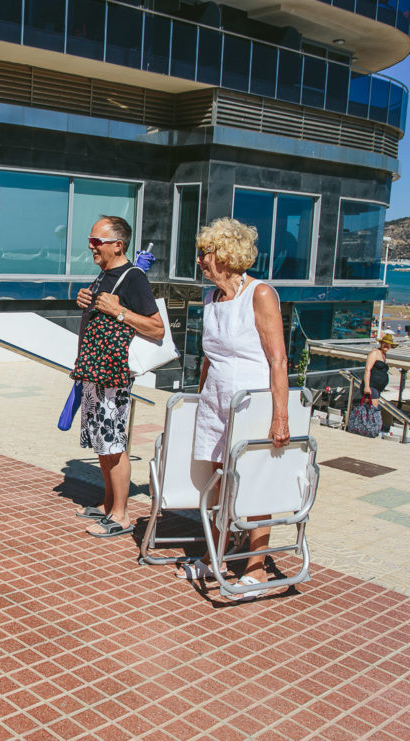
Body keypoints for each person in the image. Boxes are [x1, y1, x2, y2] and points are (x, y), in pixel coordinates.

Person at [175, 217, 289, 600]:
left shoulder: (259, 294)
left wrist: (280, 417)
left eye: (204, 254)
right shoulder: (211, 299)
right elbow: (209, 357)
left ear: (224, 254)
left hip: (250, 403)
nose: (200, 262)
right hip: (217, 403)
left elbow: (278, 360)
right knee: (221, 482)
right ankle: (219, 552)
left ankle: (256, 567)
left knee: (254, 483)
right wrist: (200, 398)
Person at [73, 216, 164, 537]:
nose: (90, 246)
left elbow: (156, 327)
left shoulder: (133, 277)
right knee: (102, 443)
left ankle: (122, 515)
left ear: (118, 245)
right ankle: (109, 503)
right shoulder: (105, 275)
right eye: (91, 239)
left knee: (114, 443)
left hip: (113, 376)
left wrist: (118, 311)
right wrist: (85, 302)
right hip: (94, 372)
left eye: (97, 241)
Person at [363, 332, 397, 409]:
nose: (386, 345)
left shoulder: (384, 355)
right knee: (374, 409)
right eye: (385, 343)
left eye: (388, 344)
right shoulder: (374, 353)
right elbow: (367, 369)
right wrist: (367, 386)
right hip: (371, 386)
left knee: (370, 411)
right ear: (381, 343)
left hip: (377, 388)